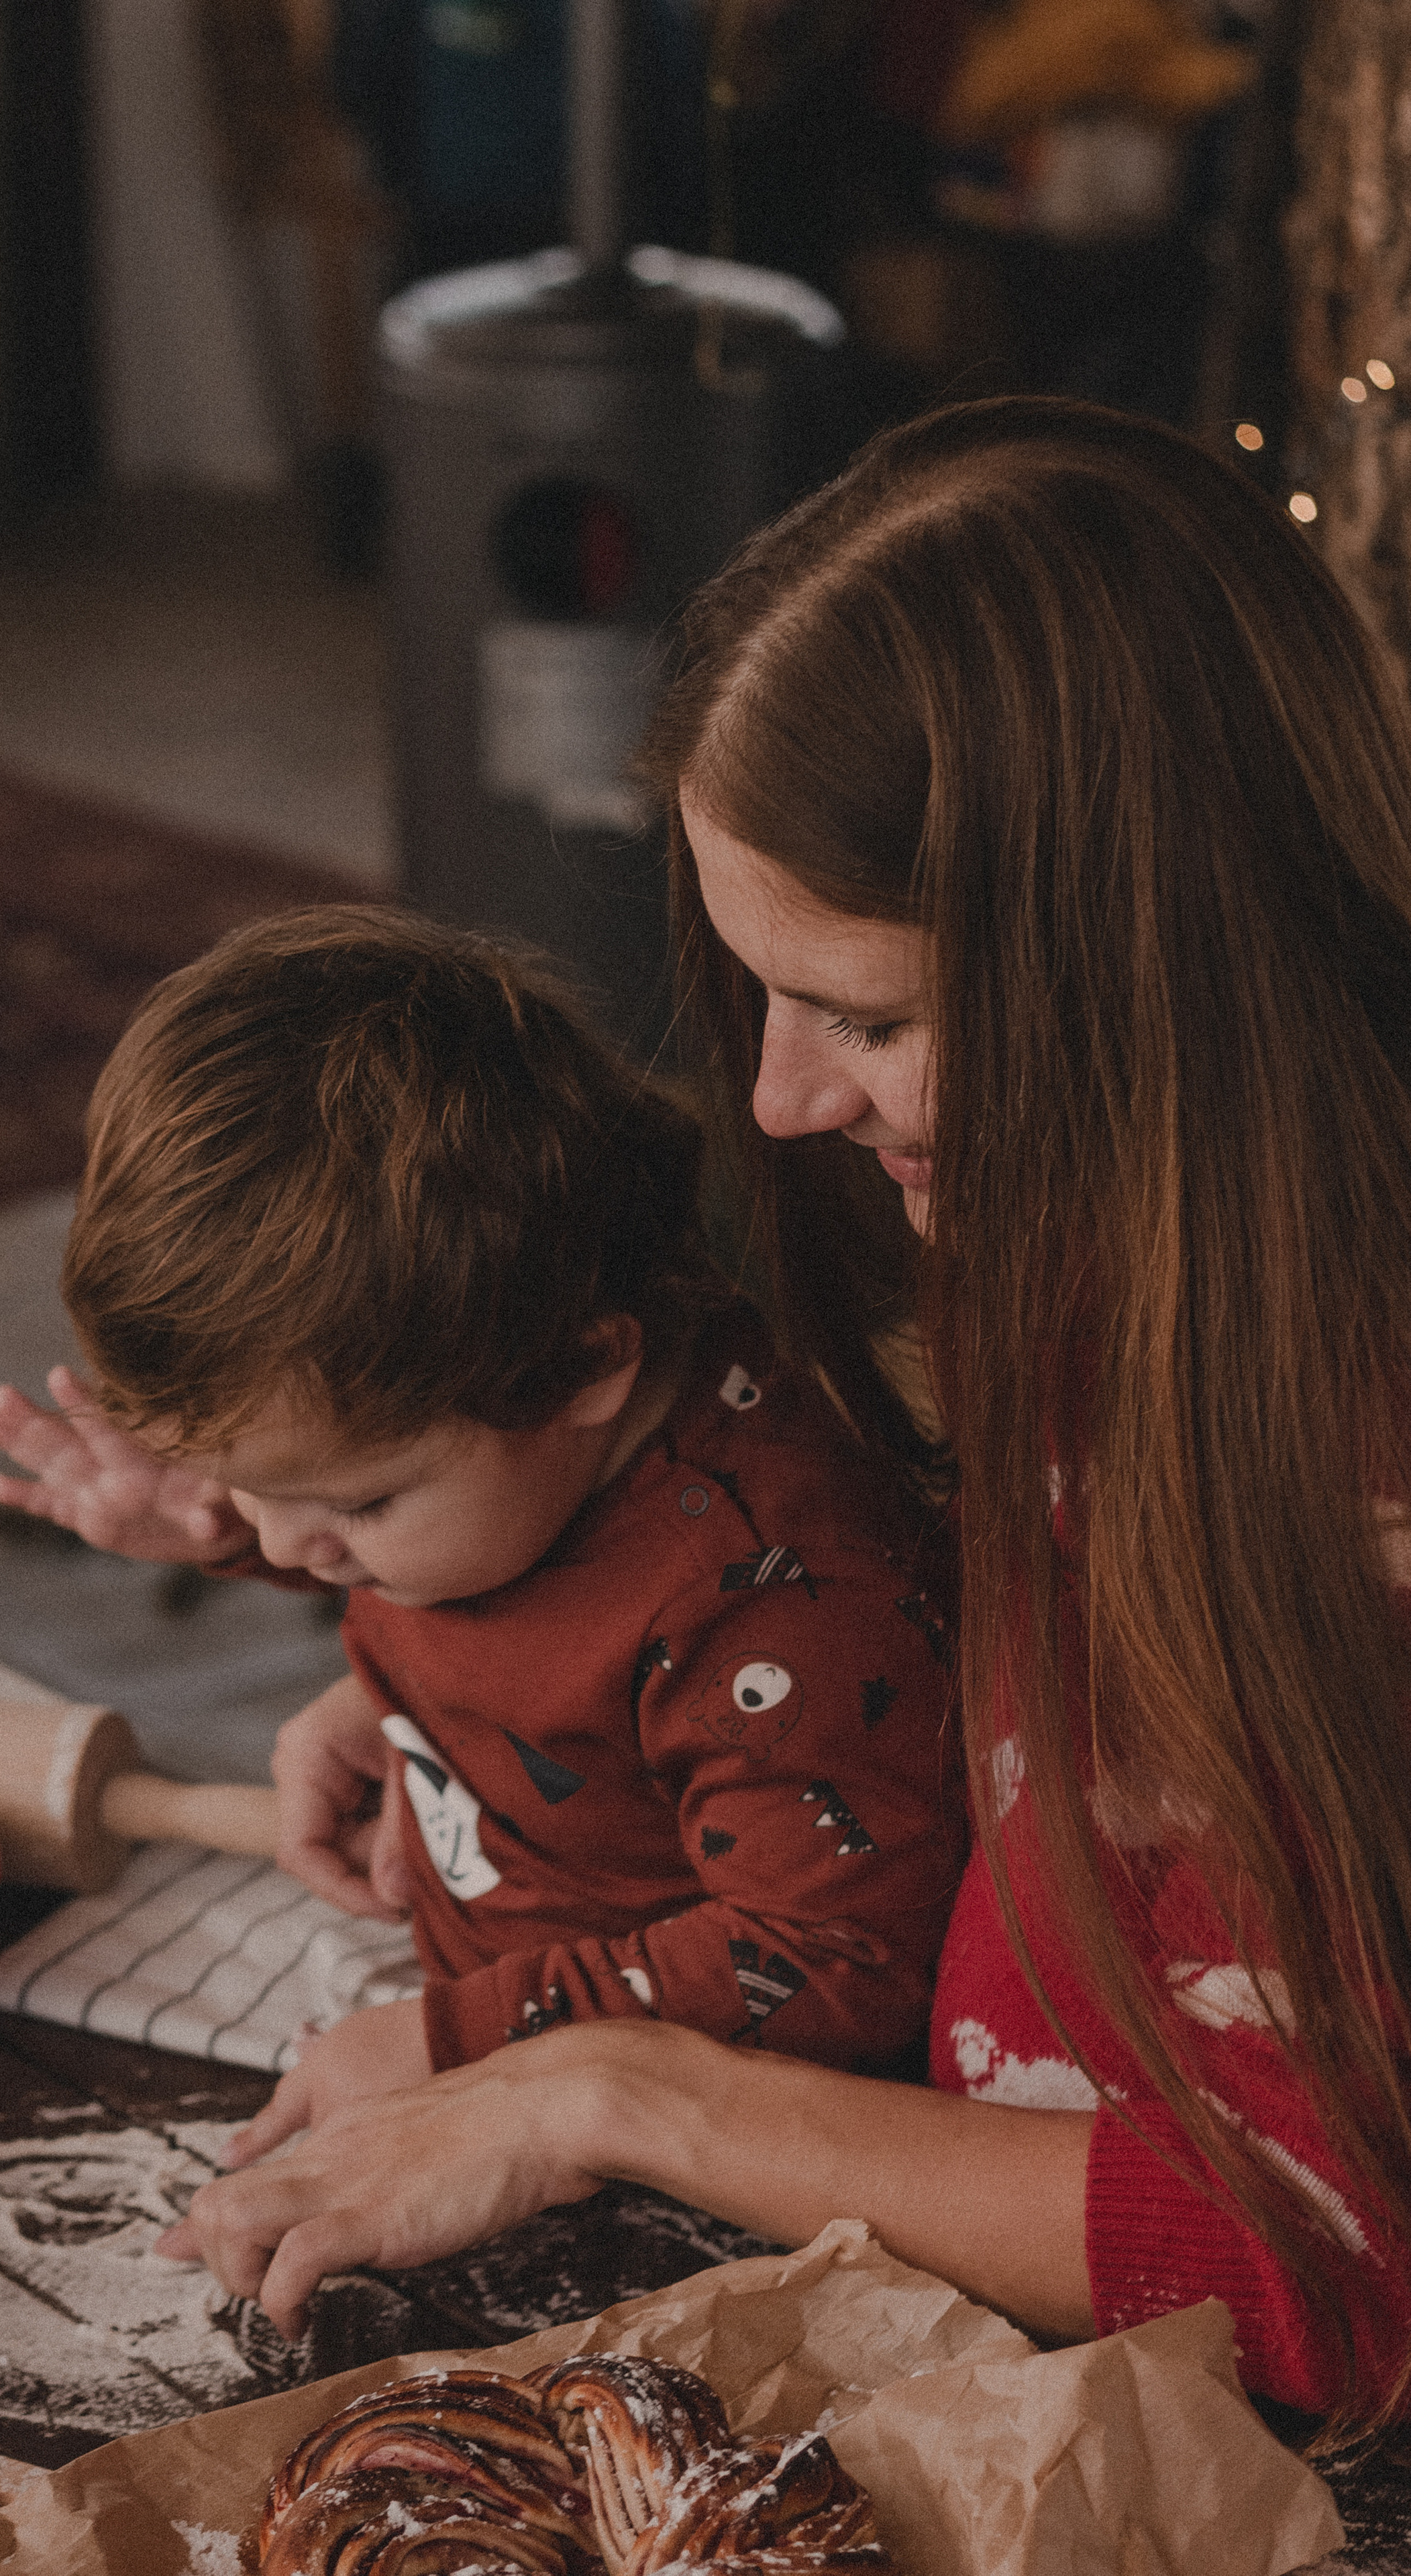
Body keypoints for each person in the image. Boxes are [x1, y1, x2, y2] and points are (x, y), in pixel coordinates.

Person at [153, 398, 1411, 2438]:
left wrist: (612, 2090)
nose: (781, 1103)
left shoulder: (1351, 1440)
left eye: (878, 1019)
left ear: (1151, 963)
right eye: (769, 1000)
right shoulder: (1101, 1237)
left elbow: (1312, 2257)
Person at [0, 908, 964, 2132]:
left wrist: (457, 2044)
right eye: (257, 1493)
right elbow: (507, 1586)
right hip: (505, 2029)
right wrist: (234, 1528)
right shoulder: (530, 1445)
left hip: (709, 2142)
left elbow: (838, 1959)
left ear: (582, 1372)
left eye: (357, 1502)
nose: (289, 1549)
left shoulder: (774, 1607)